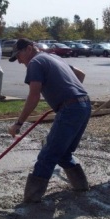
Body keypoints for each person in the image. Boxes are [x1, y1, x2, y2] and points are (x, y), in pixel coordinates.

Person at [8, 38, 91, 203]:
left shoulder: (35, 62)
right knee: (63, 152)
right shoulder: (53, 57)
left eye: (19, 55)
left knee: (47, 155)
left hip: (71, 109)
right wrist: (66, 95)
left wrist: (18, 124)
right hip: (84, 105)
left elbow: (34, 95)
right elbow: (80, 74)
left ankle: (31, 199)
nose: (19, 60)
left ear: (29, 49)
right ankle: (81, 185)